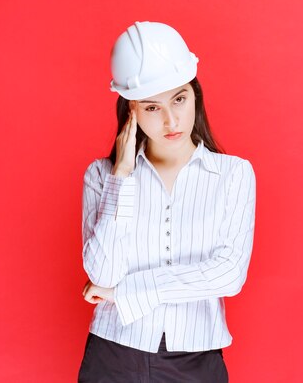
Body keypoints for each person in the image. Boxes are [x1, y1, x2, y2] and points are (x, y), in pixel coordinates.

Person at [78, 21, 256, 382]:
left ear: (195, 95)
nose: (172, 120)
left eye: (179, 98)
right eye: (152, 107)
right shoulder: (103, 176)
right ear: (132, 111)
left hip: (197, 361)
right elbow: (101, 275)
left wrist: (127, 293)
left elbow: (229, 274)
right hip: (113, 355)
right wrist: (123, 176)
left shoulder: (233, 175)